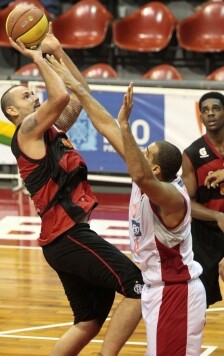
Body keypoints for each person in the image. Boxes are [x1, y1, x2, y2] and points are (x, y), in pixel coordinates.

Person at [45, 54, 206, 355]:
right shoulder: (146, 176)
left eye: (145, 152)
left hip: (176, 294)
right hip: (157, 291)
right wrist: (76, 88)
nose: (136, 153)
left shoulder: (172, 198)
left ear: (155, 170)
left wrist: (125, 125)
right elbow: (104, 124)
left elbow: (139, 172)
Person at [0, 24, 144, 356]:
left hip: (64, 239)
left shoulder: (50, 131)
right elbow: (62, 95)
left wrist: (57, 50)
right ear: (12, 112)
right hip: (67, 238)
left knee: (88, 322)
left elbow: (78, 94)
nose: (34, 96)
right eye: (26, 96)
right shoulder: (27, 132)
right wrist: (37, 56)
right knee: (140, 287)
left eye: (33, 92)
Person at [182, 91, 224, 307]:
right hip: (206, 232)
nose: (210, 114)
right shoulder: (192, 154)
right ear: (200, 117)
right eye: (205, 111)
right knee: (200, 298)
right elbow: (187, 202)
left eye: (216, 108)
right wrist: (216, 216)